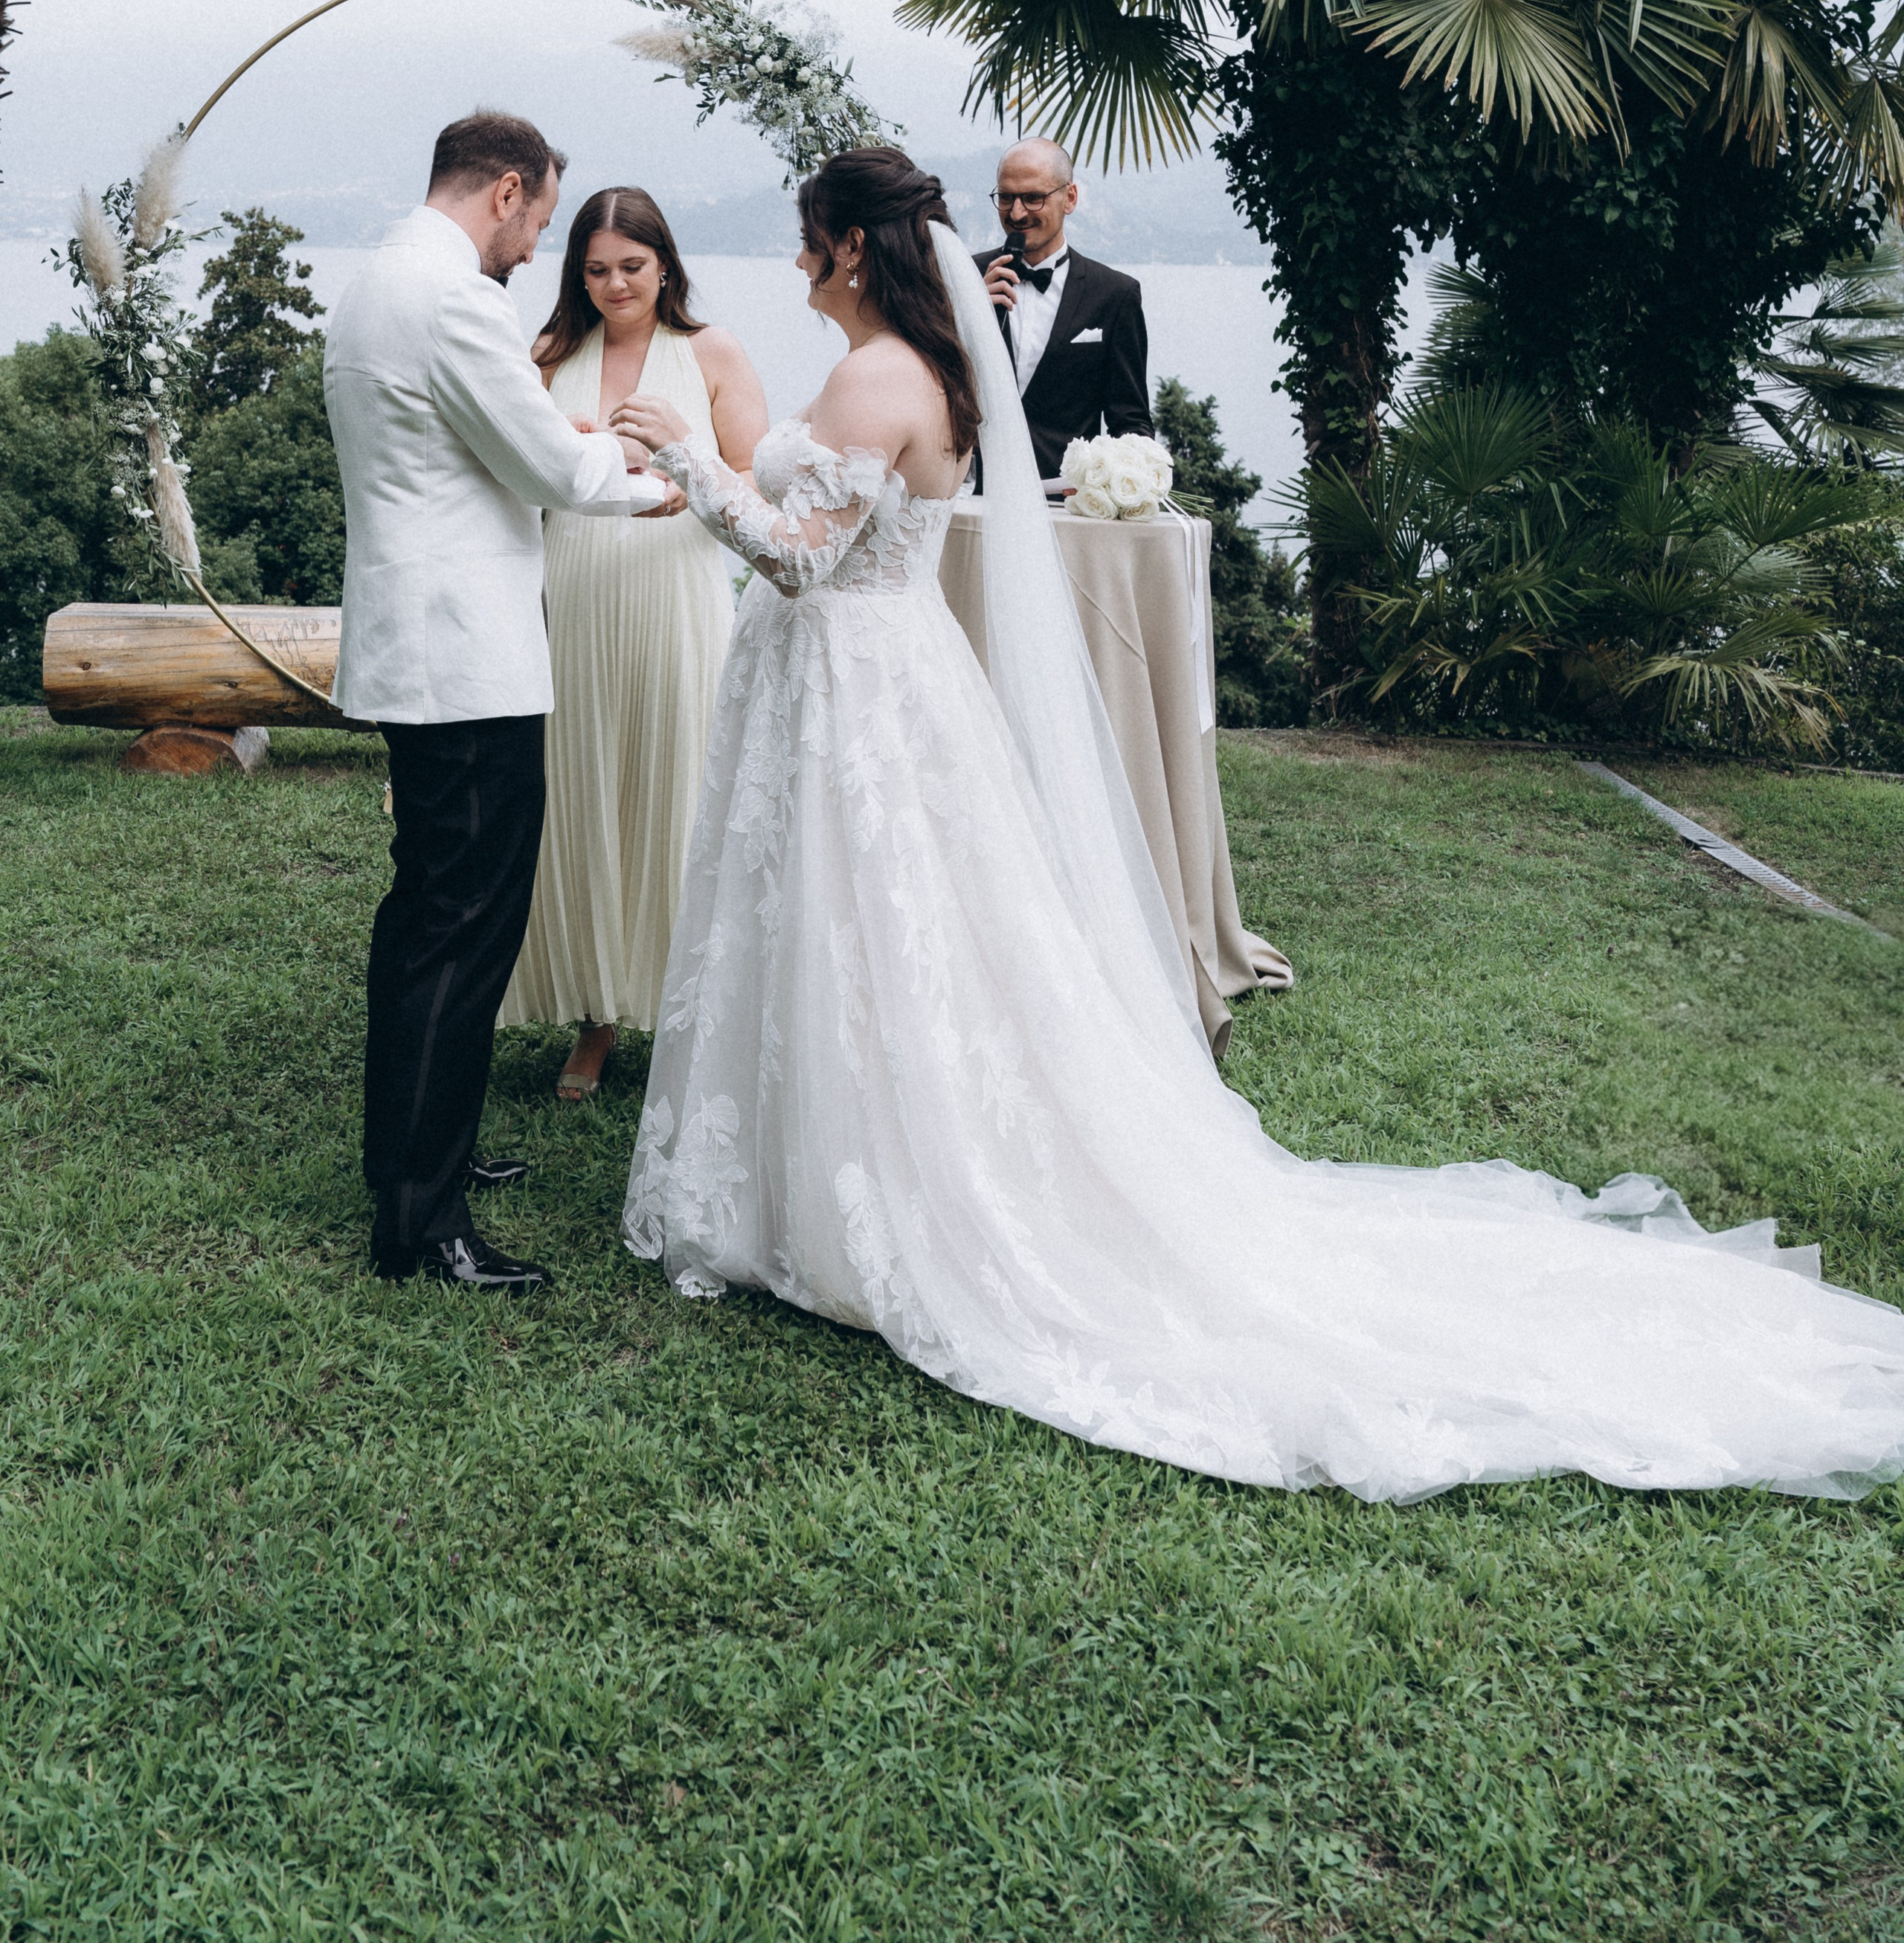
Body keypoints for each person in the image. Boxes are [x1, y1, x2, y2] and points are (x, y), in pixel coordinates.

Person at [611, 143, 1904, 1503]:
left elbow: (805, 560)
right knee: (870, 935)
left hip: (858, 693)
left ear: (856, 248)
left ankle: (865, 1201)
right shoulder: (900, 371)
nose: (800, 259)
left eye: (810, 237)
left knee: (868, 926)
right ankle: (820, 1178)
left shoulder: (879, 377)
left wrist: (695, 461)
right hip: (864, 693)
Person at [324, 110, 663, 1296]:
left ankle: (421, 1155)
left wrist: (568, 446)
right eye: (540, 221)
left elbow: (462, 447)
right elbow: (554, 469)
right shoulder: (456, 297)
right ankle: (421, 1224)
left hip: (417, 650)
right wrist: (664, 482)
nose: (537, 252)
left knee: (428, 915)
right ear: (507, 191)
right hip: (466, 665)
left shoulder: (375, 281)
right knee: (461, 930)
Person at [498, 187, 768, 1099]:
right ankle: (594, 1016)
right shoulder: (546, 355)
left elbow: (758, 480)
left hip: (674, 593)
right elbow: (510, 476)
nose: (616, 285)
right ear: (578, 274)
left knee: (679, 793)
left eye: (633, 268)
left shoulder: (712, 352)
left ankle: (698, 1016)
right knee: (583, 796)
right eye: (598, 269)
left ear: (666, 265)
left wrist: (697, 478)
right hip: (572, 594)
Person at [975, 135, 1151, 484]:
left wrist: (1119, 489)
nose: (1017, 213)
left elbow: (1130, 422)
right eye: (1006, 198)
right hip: (971, 497)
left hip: (1065, 507)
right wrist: (970, 313)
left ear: (1069, 198)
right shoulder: (962, 278)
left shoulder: (1115, 294)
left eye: (1033, 198)